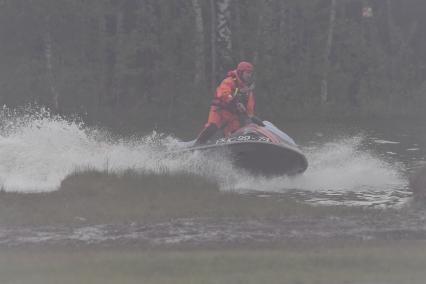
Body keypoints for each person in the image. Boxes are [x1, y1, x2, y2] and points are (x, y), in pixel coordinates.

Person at [194, 61, 255, 145]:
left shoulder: (247, 90)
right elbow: (224, 94)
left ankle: (233, 153)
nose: (249, 75)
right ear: (240, 72)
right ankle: (197, 145)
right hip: (219, 111)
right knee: (212, 127)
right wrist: (236, 103)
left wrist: (250, 119)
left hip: (232, 116)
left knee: (235, 136)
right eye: (247, 73)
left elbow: (249, 108)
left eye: (250, 73)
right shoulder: (229, 81)